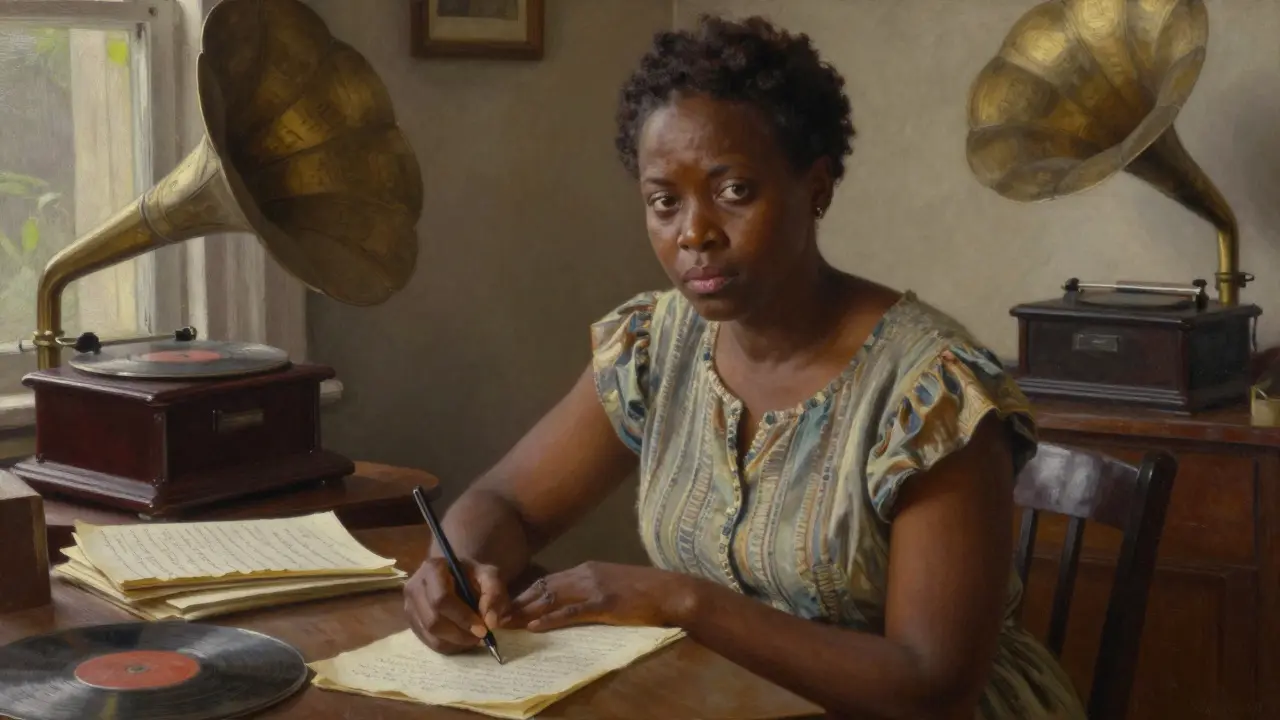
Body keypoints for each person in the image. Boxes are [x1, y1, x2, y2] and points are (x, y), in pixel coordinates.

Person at [404, 14, 1086, 720]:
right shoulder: (656, 346)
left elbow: (930, 687)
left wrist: (681, 602)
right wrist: (451, 569)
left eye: (734, 191)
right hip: (728, 700)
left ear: (816, 187)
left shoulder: (930, 393)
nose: (693, 233)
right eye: (663, 202)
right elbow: (508, 504)